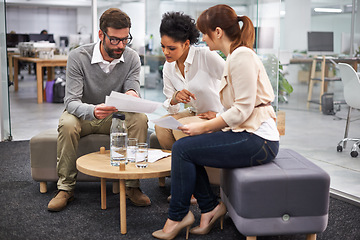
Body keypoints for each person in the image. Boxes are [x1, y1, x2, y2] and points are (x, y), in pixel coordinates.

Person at [152, 4, 280, 239]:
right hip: (247, 133)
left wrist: (204, 125)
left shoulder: (241, 56)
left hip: (259, 140)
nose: (201, 38)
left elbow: (242, 110)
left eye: (204, 33)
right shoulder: (235, 56)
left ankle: (179, 216)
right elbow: (238, 109)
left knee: (183, 148)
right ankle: (209, 209)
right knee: (187, 148)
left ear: (218, 32)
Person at [47, 8, 150, 212]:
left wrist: (131, 94)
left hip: (114, 117)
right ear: (101, 35)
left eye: (125, 39)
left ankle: (132, 186)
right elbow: (71, 101)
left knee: (140, 119)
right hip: (84, 115)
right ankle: (66, 188)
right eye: (114, 40)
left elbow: (133, 87)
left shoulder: (131, 58)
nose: (121, 45)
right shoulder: (78, 56)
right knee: (67, 123)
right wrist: (93, 111)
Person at [155, 11, 225, 150]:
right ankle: (173, 168)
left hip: (216, 115)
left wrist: (220, 115)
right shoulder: (168, 67)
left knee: (182, 128)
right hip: (195, 112)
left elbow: (235, 85)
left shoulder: (206, 56)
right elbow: (172, 108)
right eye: (163, 46)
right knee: (161, 125)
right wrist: (175, 98)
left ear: (186, 44)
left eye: (171, 48)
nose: (166, 52)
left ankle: (192, 168)